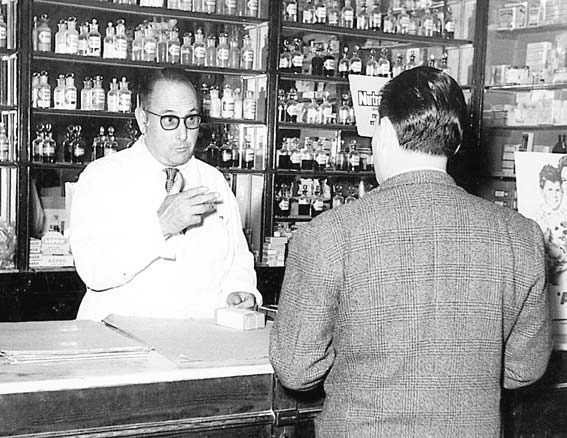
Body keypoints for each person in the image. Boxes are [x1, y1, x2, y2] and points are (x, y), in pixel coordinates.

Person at [269, 66, 551, 437]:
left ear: (384, 131)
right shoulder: (520, 236)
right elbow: (524, 368)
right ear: (457, 140)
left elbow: (296, 369)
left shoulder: (327, 234)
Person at [70, 68, 261, 320]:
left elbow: (237, 257)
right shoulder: (101, 177)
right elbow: (93, 271)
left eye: (191, 119)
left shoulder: (213, 180)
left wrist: (240, 289)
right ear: (142, 119)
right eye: (170, 120)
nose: (183, 134)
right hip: (122, 339)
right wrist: (160, 226)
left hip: (198, 339)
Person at [536, 164, 567, 286]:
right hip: (544, 283)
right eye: (550, 190)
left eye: (557, 190)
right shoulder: (535, 219)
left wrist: (559, 253)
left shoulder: (565, 215)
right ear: (541, 191)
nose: (555, 195)